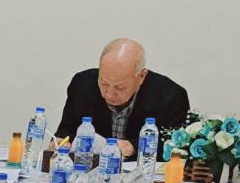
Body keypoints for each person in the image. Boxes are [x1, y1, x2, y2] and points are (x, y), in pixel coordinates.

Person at [55, 38, 189, 159]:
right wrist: (61, 142)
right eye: (104, 83)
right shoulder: (81, 85)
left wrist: (134, 146)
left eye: (120, 87)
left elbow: (177, 147)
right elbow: (66, 130)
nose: (109, 94)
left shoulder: (171, 96)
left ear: (141, 77)